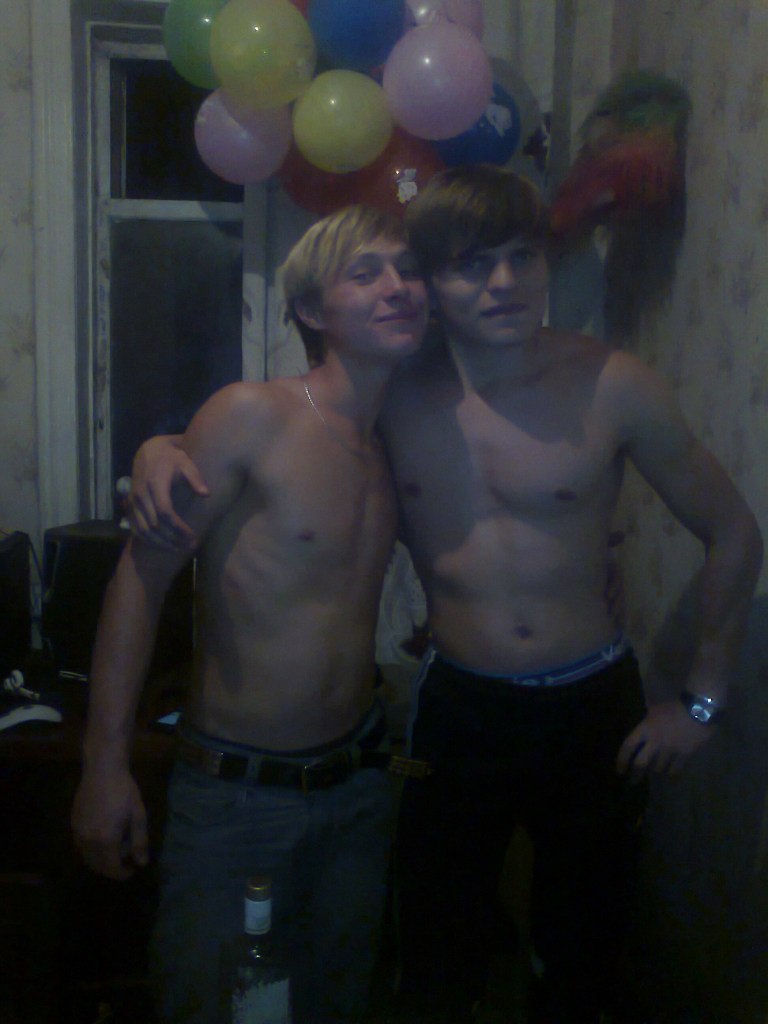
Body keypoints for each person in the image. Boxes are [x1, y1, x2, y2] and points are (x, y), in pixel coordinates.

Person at [126, 166, 763, 1023]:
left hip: (592, 705)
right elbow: (284, 424)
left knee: (585, 956)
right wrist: (160, 446)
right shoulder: (398, 391)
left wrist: (703, 702)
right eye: (470, 265)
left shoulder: (614, 383)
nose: (503, 282)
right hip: (458, 712)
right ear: (434, 285)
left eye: (521, 257)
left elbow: (735, 532)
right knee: (433, 956)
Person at [70, 204, 430, 1024]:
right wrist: (103, 765)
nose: (399, 287)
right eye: (366, 273)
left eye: (409, 271)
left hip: (359, 785)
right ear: (309, 310)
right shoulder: (253, 414)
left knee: (338, 1006)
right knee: (215, 1007)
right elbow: (140, 580)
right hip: (238, 797)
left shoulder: (399, 436)